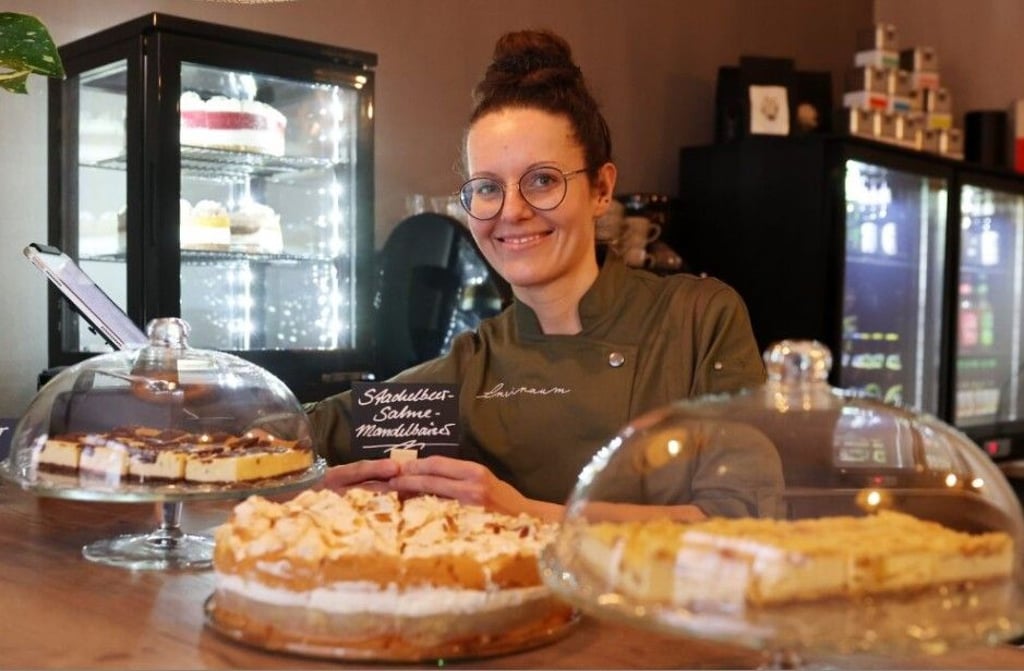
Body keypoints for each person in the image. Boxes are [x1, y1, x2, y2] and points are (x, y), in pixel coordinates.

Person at [305, 29, 774, 522]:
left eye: (543, 180)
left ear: (601, 189)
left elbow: (742, 520)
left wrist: (521, 512)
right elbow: (303, 435)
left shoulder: (697, 320)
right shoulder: (466, 372)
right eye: (487, 188)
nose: (512, 211)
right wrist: (317, 482)